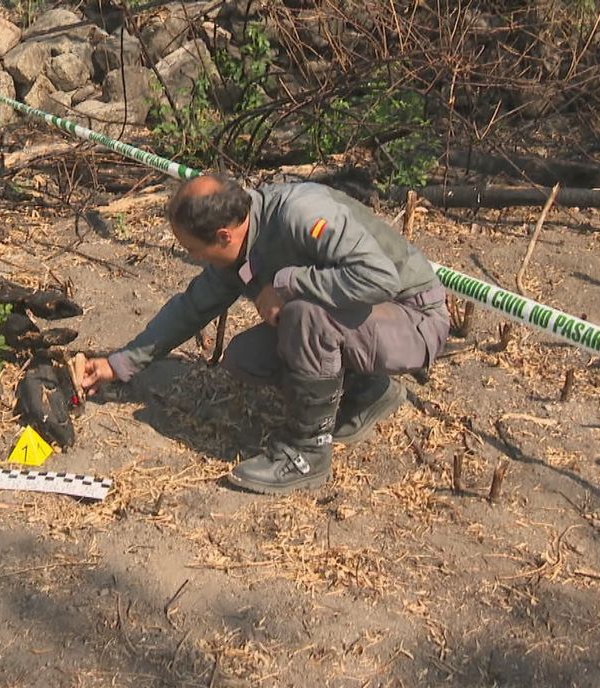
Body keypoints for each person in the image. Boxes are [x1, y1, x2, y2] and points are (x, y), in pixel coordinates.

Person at [78, 174, 449, 494]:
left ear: (223, 235)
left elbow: (379, 279)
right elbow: (191, 309)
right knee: (246, 359)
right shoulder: (239, 244)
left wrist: (288, 284)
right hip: (361, 322)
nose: (195, 258)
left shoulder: (300, 214)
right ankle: (368, 391)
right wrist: (118, 364)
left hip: (413, 316)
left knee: (307, 315)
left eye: (195, 250)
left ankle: (307, 453)